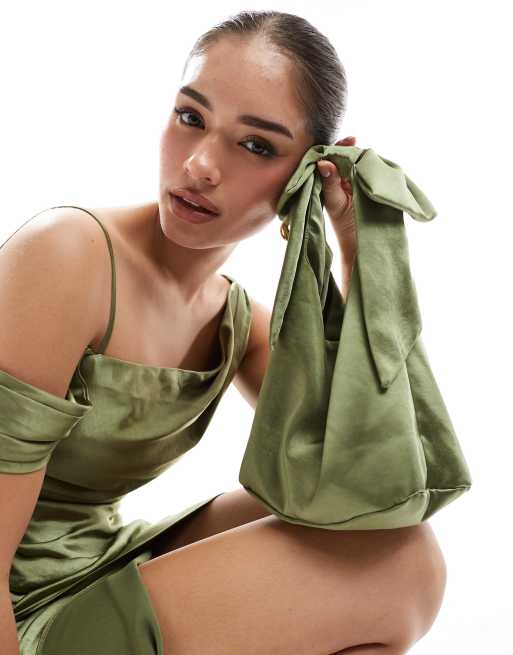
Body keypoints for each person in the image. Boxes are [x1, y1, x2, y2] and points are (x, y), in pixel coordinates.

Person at [0, 9, 447, 655]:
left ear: (309, 172)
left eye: (256, 145)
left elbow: (375, 484)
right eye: (191, 117)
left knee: (394, 548)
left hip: (97, 568)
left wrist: (357, 247)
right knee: (400, 569)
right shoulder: (66, 255)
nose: (202, 164)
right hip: (18, 610)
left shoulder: (237, 324)